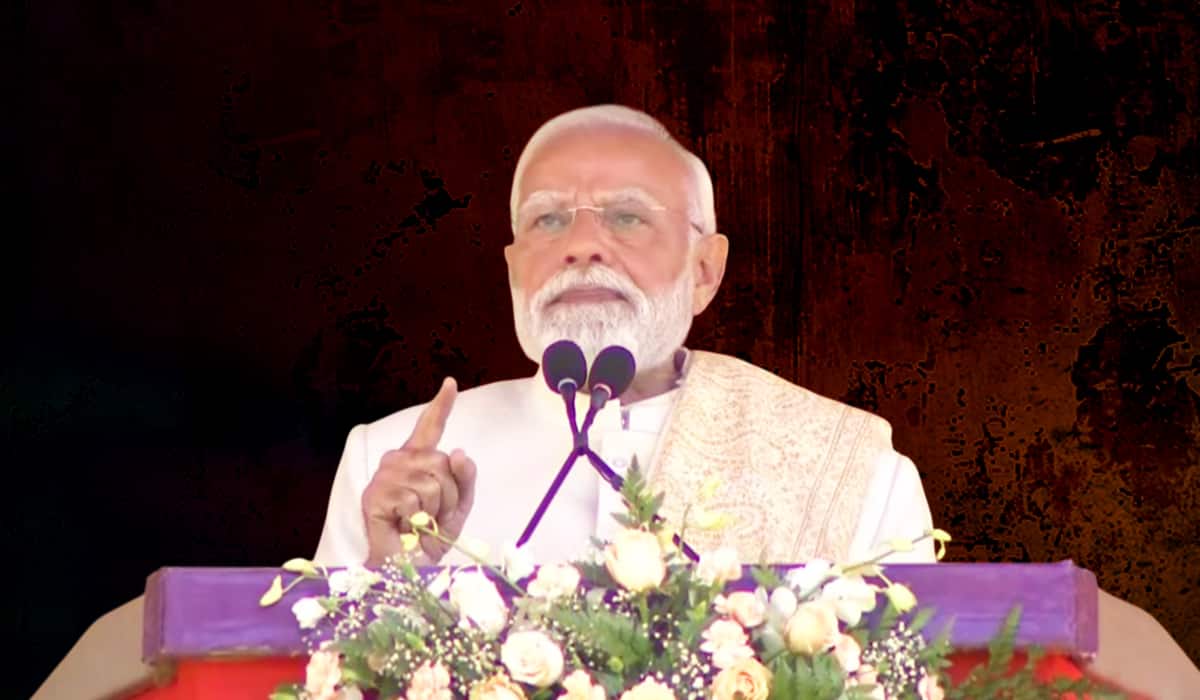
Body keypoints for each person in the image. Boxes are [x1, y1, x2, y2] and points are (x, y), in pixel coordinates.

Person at [313, 104, 935, 569]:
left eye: (628, 216)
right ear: (513, 269)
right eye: (548, 219)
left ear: (704, 270)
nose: (582, 245)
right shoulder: (393, 469)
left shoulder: (853, 473)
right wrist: (391, 577)